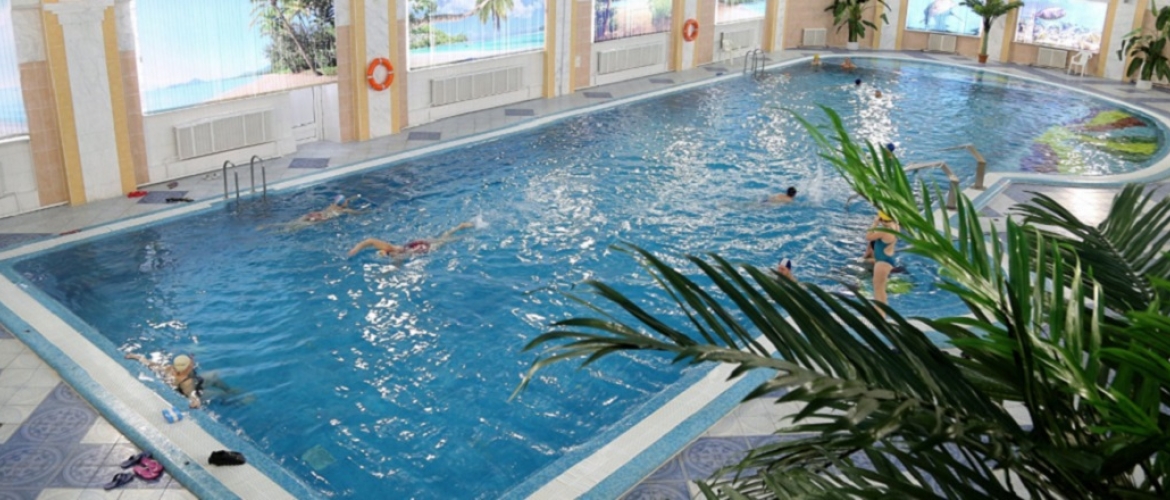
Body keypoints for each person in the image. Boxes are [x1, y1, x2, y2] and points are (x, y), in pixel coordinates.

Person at [348, 221, 474, 259]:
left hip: (421, 248)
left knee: (445, 240)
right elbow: (370, 241)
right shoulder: (390, 249)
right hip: (415, 244)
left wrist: (356, 249)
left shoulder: (394, 253)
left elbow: (370, 241)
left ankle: (463, 232)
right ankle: (460, 227)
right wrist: (356, 249)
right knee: (442, 238)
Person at [125, 352, 204, 408]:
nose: (192, 364)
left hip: (190, 380)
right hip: (188, 388)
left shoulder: (170, 369)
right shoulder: (186, 382)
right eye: (190, 364)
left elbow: (152, 365)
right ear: (187, 368)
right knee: (209, 385)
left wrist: (138, 357)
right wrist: (196, 401)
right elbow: (192, 394)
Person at [865, 211, 899, 313]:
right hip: (888, 259)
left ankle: (880, 313)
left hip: (882, 262)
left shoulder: (884, 231)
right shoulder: (896, 226)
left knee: (879, 289)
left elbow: (868, 237)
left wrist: (875, 223)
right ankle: (880, 310)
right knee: (880, 289)